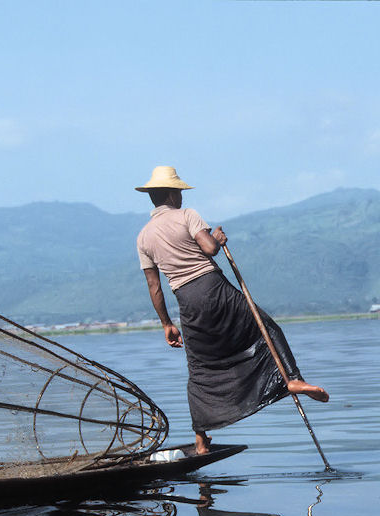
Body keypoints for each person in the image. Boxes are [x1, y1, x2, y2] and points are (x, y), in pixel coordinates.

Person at [135, 166, 328, 455]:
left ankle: (201, 440)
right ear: (173, 194)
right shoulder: (188, 216)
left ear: (153, 197)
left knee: (198, 368)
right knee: (268, 329)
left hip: (188, 303)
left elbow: (154, 287)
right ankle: (292, 378)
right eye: (179, 193)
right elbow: (210, 248)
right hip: (216, 289)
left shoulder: (143, 238)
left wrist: (166, 324)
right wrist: (218, 238)